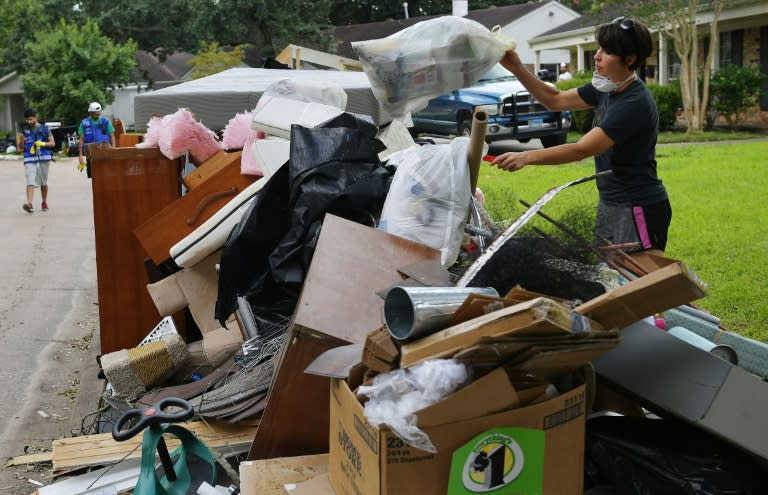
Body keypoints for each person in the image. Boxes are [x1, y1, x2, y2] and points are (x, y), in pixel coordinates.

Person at [494, 17, 671, 253]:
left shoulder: (634, 102)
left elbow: (583, 149)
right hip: (611, 203)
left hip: (638, 206)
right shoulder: (606, 88)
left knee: (641, 279)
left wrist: (527, 157)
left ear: (629, 60)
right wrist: (516, 67)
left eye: (607, 51)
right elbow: (555, 100)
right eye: (599, 48)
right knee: (610, 276)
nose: (597, 56)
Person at [17, 108, 55, 213]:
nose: (28, 122)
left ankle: (44, 202)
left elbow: (53, 143)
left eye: (30, 119)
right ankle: (29, 204)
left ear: (36, 117)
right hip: (29, 157)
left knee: (43, 182)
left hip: (43, 157)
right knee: (30, 180)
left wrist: (43, 144)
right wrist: (21, 142)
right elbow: (20, 148)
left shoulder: (45, 129)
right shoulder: (24, 130)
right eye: (27, 120)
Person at [78, 102, 115, 178]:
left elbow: (112, 136)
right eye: (96, 113)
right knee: (93, 177)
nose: (98, 115)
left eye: (99, 113)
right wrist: (80, 155)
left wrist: (114, 150)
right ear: (91, 113)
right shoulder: (84, 123)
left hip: (105, 152)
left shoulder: (106, 122)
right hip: (90, 154)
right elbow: (81, 139)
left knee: (106, 175)